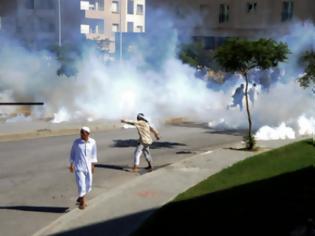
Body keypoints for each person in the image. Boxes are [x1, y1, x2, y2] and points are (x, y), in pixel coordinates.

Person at [69, 126, 97, 210]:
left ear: (88, 134)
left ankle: (81, 196)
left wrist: (93, 165)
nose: (81, 135)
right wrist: (71, 164)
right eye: (80, 133)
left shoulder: (93, 142)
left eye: (83, 133)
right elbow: (72, 153)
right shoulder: (76, 142)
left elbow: (93, 154)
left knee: (88, 185)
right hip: (79, 166)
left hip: (88, 166)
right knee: (81, 185)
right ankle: (82, 202)